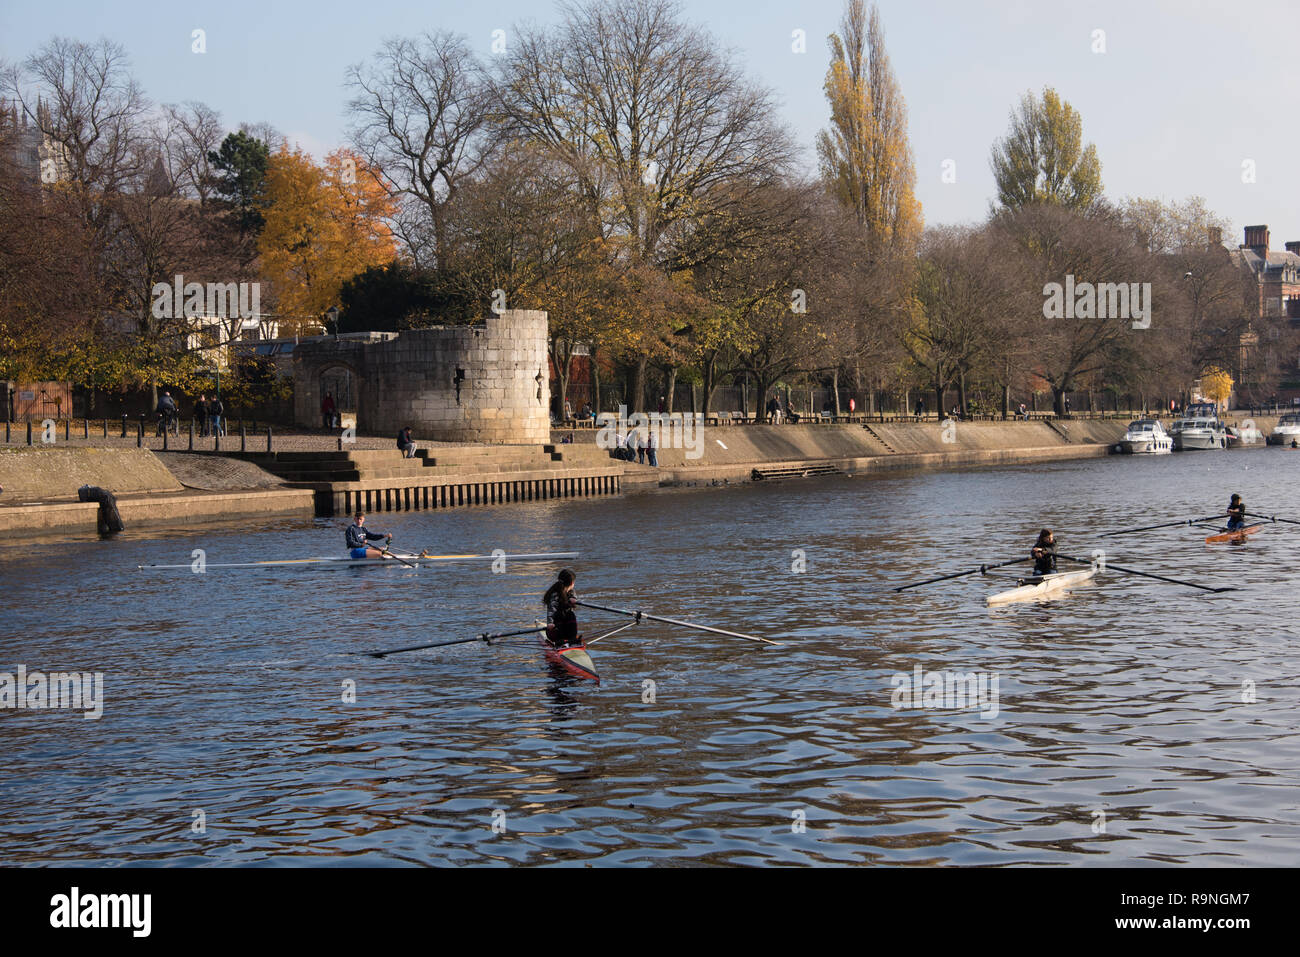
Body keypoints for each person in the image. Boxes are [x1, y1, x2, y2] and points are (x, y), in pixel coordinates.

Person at [543, 569, 579, 647]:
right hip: (554, 630)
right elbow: (551, 610)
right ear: (572, 583)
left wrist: (573, 599)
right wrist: (550, 623)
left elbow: (574, 595)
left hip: (566, 628)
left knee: (570, 614)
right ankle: (562, 642)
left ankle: (572, 640)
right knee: (563, 614)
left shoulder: (571, 592)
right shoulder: (555, 595)